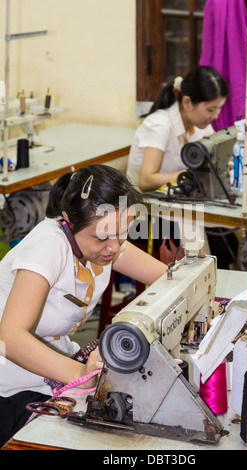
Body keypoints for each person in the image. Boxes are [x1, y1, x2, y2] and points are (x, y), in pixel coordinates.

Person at [0, 164, 166, 447]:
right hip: (11, 387)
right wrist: (80, 374)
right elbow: (10, 339)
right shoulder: (48, 247)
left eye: (123, 232)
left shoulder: (107, 240)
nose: (114, 247)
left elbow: (169, 279)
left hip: (51, 369)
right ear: (68, 220)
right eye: (102, 237)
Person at [126, 65, 229, 192]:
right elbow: (146, 181)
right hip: (144, 207)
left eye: (219, 108)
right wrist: (193, 175)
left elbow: (220, 151)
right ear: (187, 103)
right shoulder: (160, 126)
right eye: (210, 109)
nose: (216, 116)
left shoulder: (200, 126)